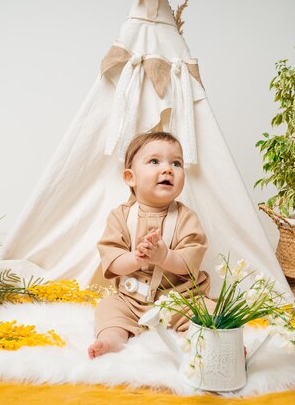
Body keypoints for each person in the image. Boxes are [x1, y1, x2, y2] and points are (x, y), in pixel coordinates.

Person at [88, 131, 210, 359]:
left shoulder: (187, 218)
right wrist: (135, 258)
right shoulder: (120, 217)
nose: (167, 169)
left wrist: (165, 257)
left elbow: (190, 262)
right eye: (154, 161)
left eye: (176, 163)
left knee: (208, 311)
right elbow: (112, 260)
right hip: (131, 301)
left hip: (180, 300)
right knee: (108, 308)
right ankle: (112, 339)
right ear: (130, 178)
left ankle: (201, 342)